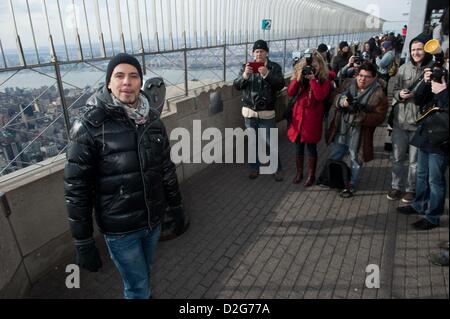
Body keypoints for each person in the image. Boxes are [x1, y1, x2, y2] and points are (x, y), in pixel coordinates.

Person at [64, 53, 186, 299]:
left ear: (141, 82)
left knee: (144, 273)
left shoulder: (152, 120)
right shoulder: (89, 126)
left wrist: (176, 206)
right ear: (109, 83)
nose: (127, 82)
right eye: (119, 76)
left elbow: (165, 169)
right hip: (121, 230)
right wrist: (83, 241)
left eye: (133, 76)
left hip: (153, 221)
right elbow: (77, 189)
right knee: (137, 285)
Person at [396, 48, 448, 230]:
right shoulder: (441, 74)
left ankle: (432, 216)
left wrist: (443, 92)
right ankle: (419, 204)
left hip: (442, 137)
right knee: (422, 174)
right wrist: (426, 83)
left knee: (435, 179)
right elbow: (419, 100)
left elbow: (445, 104)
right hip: (427, 132)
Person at [326, 62, 388, 197]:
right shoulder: (347, 83)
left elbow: (379, 117)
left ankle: (351, 184)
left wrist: (361, 115)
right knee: (336, 154)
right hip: (341, 129)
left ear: (374, 78)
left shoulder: (379, 94)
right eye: (360, 75)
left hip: (360, 133)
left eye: (367, 77)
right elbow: (333, 96)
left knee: (355, 159)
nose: (362, 79)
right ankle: (337, 179)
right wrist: (341, 101)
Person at [387, 33, 434, 203]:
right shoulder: (403, 68)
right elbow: (393, 91)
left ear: (426, 50)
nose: (416, 52)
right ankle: (396, 186)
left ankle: (410, 189)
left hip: (419, 123)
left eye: (419, 49)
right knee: (397, 157)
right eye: (413, 49)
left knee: (414, 161)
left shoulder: (431, 69)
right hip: (400, 121)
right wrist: (399, 94)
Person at [233, 39, 285, 181]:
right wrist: (245, 75)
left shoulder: (274, 67)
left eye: (262, 51)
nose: (259, 53)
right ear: (252, 53)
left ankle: (276, 168)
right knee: (252, 142)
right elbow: (236, 85)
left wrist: (267, 74)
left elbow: (280, 84)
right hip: (250, 112)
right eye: (256, 51)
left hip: (266, 113)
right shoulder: (246, 67)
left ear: (267, 53)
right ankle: (254, 168)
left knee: (271, 142)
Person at [287, 50, 332, 186]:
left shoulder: (325, 80)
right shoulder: (299, 77)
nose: (313, 67)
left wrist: (313, 80)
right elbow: (290, 92)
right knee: (298, 148)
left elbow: (320, 96)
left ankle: (311, 175)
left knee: (311, 148)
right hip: (298, 118)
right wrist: (298, 77)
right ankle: (299, 173)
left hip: (312, 120)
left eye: (315, 64)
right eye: (310, 64)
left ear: (321, 65)